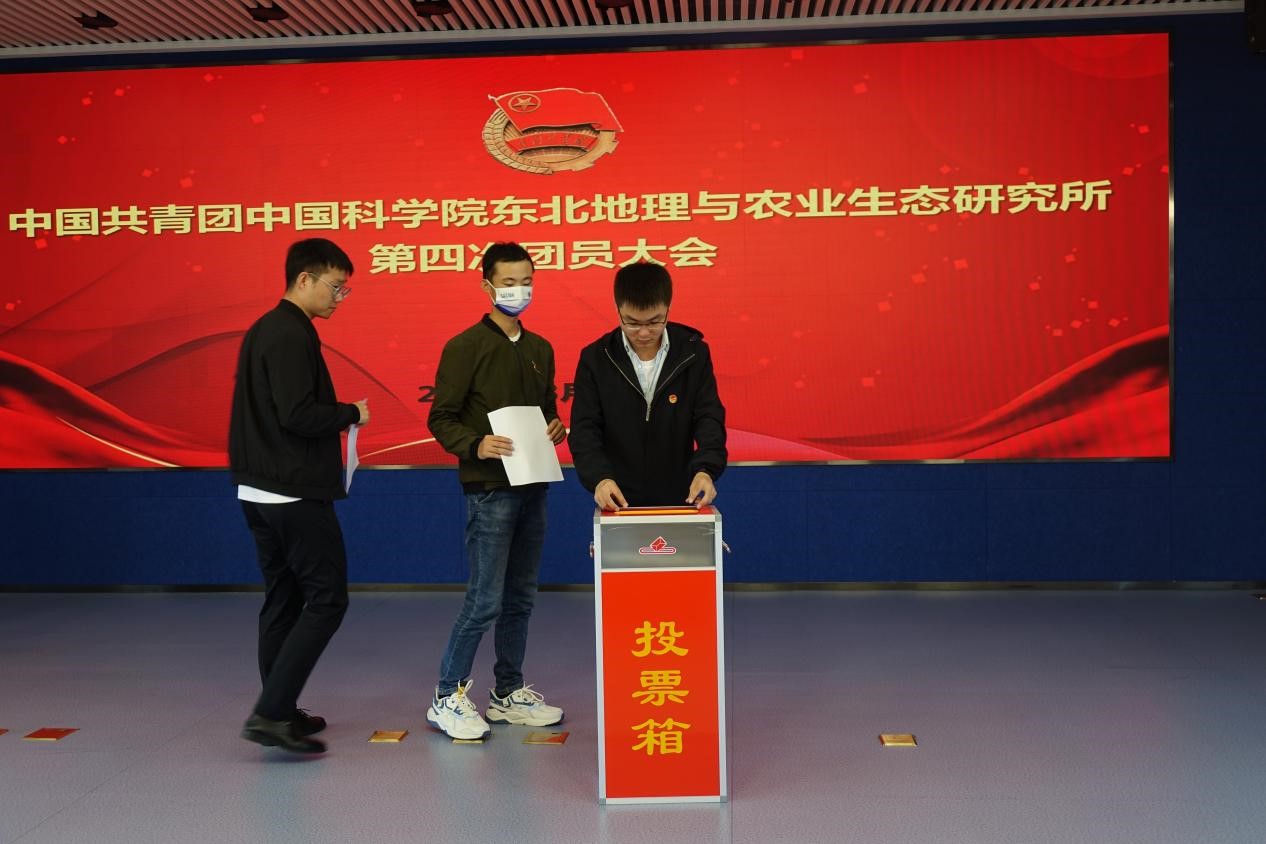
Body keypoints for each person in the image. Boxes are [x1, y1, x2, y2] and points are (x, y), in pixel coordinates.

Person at [229, 238, 368, 755]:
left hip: (259, 489)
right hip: (291, 492)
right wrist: (350, 413)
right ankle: (270, 714)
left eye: (345, 290)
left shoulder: (267, 329)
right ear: (304, 279)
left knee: (283, 599)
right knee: (327, 599)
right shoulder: (289, 332)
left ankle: (280, 708)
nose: (339, 298)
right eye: (335, 287)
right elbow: (297, 413)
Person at [425, 241, 567, 740]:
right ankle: (447, 695)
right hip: (489, 488)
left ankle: (507, 692)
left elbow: (548, 411)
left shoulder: (540, 348)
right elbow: (441, 417)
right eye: (508, 283)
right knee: (484, 599)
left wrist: (556, 428)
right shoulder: (464, 346)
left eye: (525, 281)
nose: (518, 290)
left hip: (534, 483)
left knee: (521, 597)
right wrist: (475, 443)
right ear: (487, 285)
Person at [569, 261, 727, 510]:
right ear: (617, 309)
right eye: (632, 322)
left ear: (668, 308)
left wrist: (706, 470)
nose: (643, 333)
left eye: (654, 322)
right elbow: (584, 428)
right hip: (617, 497)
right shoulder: (596, 358)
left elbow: (708, 417)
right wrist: (599, 479)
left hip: (682, 495)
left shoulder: (693, 353)